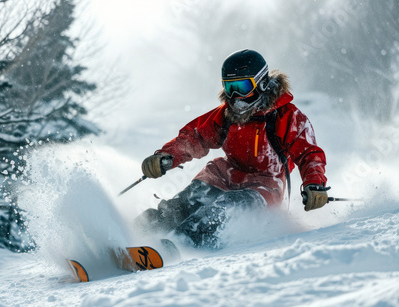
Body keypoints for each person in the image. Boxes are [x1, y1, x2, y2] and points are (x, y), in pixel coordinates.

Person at [136, 49, 329, 249]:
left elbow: (309, 153)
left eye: (243, 86)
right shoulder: (226, 115)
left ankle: (175, 246)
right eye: (229, 88)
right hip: (223, 176)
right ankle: (135, 236)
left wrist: (314, 184)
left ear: (262, 84)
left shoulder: (287, 117)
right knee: (183, 204)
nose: (236, 97)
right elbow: (195, 137)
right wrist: (167, 156)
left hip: (264, 187)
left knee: (224, 208)